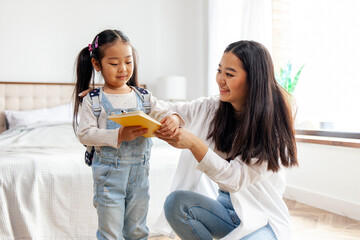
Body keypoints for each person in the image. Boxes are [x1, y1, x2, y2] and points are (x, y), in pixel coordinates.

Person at [154, 40, 298, 240]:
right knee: (176, 204)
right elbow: (173, 109)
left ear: (253, 80)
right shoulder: (215, 107)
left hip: (262, 216)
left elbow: (234, 179)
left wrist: (194, 144)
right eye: (219, 70)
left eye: (229, 74)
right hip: (225, 210)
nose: (220, 79)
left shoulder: (270, 126)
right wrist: (174, 117)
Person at [73, 29, 182, 240]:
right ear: (97, 65)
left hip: (139, 176)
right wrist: (118, 135)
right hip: (108, 178)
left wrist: (173, 118)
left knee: (138, 230)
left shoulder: (144, 96)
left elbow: (165, 111)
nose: (123, 69)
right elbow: (85, 134)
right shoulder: (93, 100)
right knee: (110, 232)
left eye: (128, 62)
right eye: (114, 64)